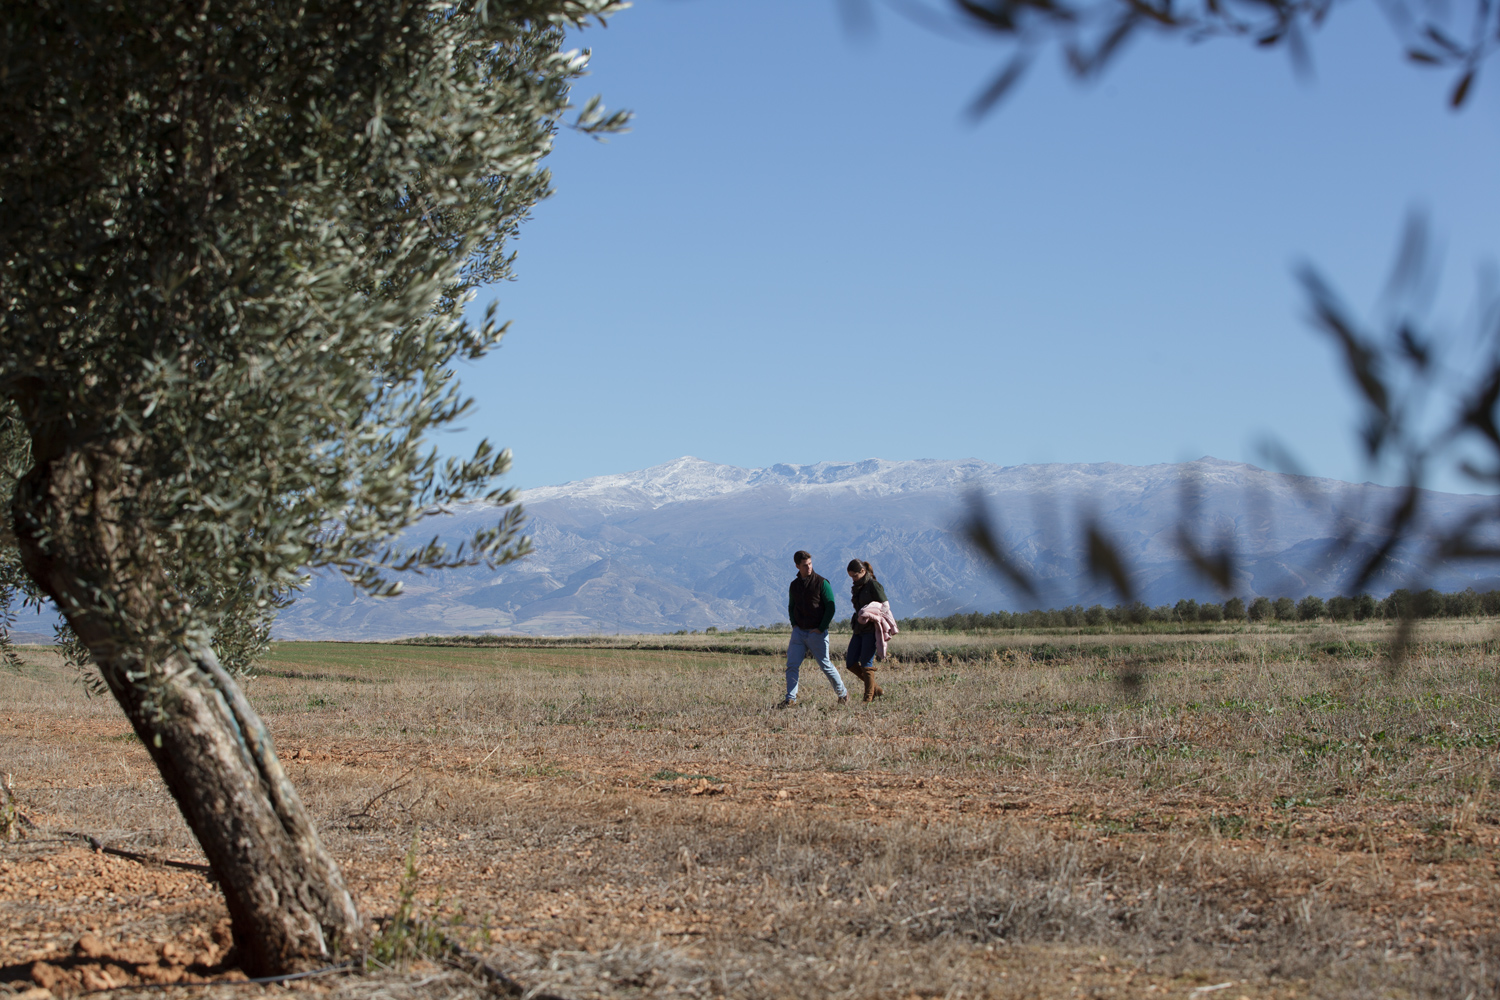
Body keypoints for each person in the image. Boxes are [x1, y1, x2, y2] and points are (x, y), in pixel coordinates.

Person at [782, 550, 848, 708]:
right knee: (792, 665)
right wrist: (794, 624)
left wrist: (821, 628)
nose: (809, 568)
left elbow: (830, 608)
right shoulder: (794, 585)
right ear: (797, 566)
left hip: (816, 632)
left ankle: (842, 694)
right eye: (805, 565)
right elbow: (791, 606)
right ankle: (790, 699)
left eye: (810, 564)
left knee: (825, 665)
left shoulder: (822, 583)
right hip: (799, 632)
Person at [845, 559, 895, 702]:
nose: (853, 579)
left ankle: (868, 699)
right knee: (850, 663)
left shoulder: (874, 585)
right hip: (859, 629)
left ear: (863, 571)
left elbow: (885, 606)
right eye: (851, 577)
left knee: (867, 663)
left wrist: (869, 613)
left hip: (872, 630)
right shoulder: (857, 587)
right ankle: (876, 689)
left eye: (855, 576)